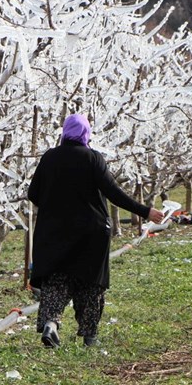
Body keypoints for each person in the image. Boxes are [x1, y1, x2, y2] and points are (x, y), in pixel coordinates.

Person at [27, 113, 165, 347]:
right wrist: (145, 212)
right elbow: (113, 193)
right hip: (90, 235)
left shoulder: (49, 158)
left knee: (57, 282)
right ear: (85, 134)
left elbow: (33, 194)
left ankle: (51, 323)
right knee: (90, 284)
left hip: (53, 234)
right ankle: (89, 336)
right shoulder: (92, 158)